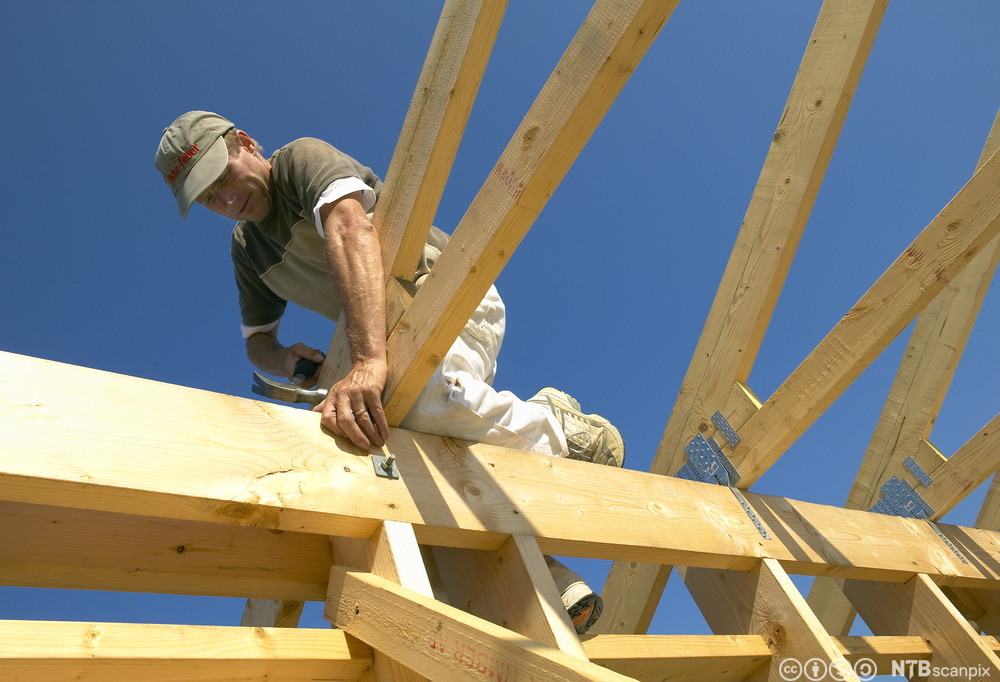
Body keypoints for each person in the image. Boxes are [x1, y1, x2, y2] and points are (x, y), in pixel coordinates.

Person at [154, 110, 625, 634]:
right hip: (380, 336)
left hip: (444, 297)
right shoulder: (248, 250)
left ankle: (557, 429)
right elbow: (257, 344)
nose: (224, 200)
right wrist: (287, 360)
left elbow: (349, 227)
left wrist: (368, 362)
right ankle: (534, 592)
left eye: (223, 178)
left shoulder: (299, 161)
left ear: (245, 142)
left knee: (416, 397)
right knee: (374, 470)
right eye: (207, 199)